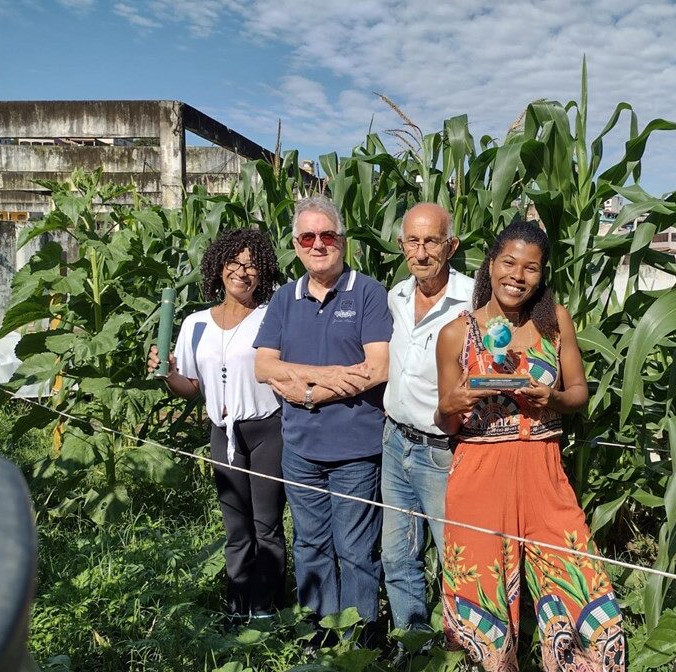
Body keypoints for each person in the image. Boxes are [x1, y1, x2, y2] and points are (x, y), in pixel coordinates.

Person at [434, 221, 626, 671]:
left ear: (542, 274)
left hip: (544, 470)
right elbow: (445, 421)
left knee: (579, 578)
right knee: (481, 589)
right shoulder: (456, 333)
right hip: (479, 474)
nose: (517, 276)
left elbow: (578, 392)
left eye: (531, 268)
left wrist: (552, 398)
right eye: (509, 263)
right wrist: (456, 402)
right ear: (491, 264)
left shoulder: (554, 322)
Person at [254, 195, 392, 626]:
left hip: (355, 449)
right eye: (308, 236)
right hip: (300, 448)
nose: (318, 244)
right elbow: (263, 366)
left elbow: (377, 368)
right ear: (295, 244)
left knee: (355, 550)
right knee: (310, 545)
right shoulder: (284, 298)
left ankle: (359, 641)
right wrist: (327, 374)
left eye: (327, 235)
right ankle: (319, 635)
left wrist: (310, 393)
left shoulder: (368, 293)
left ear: (342, 241)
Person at [147, 228, 287, 623]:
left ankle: (267, 609)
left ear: (264, 273)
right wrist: (167, 373)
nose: (243, 272)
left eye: (252, 265)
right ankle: (237, 606)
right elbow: (189, 388)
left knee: (267, 525)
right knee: (236, 526)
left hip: (267, 430)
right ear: (219, 266)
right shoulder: (195, 324)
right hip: (221, 433)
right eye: (235, 262)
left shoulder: (270, 316)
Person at [382, 203, 475, 633]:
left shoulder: (474, 300)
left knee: (457, 557)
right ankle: (413, 644)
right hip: (394, 442)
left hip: (444, 451)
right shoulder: (396, 295)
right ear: (402, 245)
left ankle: (466, 647)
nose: (421, 253)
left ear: (451, 245)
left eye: (432, 241)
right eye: (413, 242)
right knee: (397, 555)